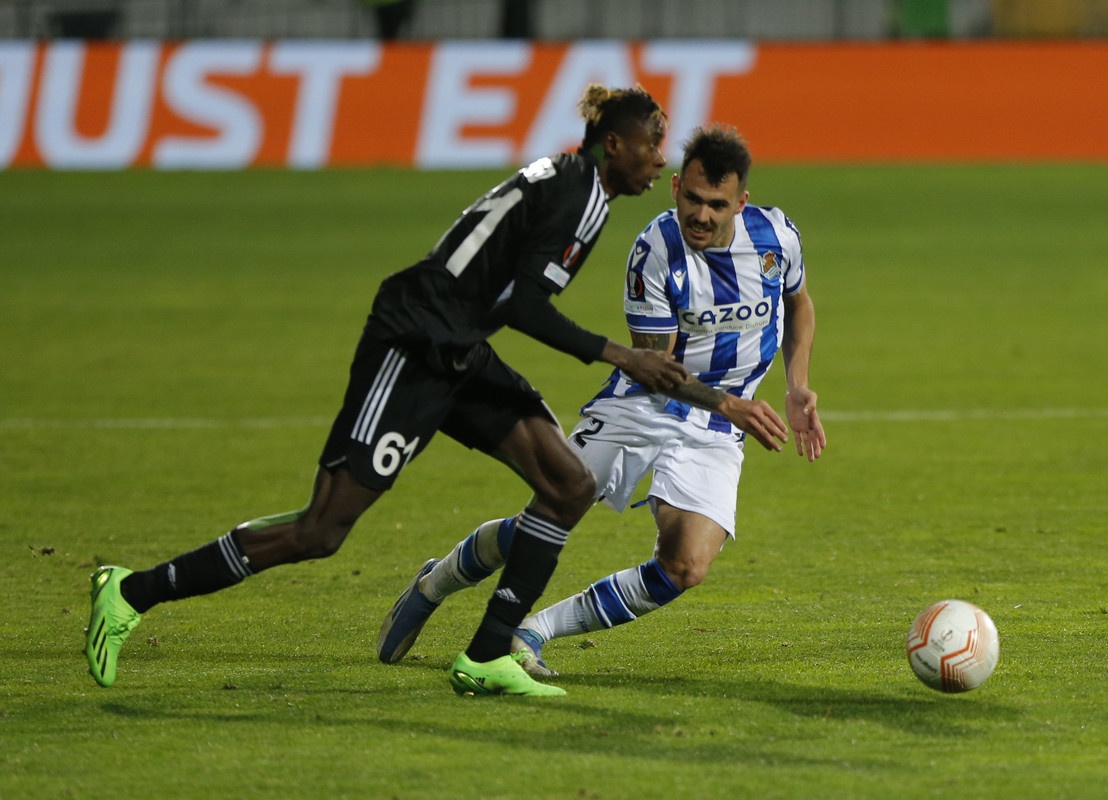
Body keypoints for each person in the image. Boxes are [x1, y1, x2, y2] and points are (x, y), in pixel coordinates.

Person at [84, 84, 691, 698]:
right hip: (414, 345)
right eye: (653, 144)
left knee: (568, 486)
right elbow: (523, 306)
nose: (660, 158)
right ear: (615, 143)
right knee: (321, 531)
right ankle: (132, 591)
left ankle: (485, 656)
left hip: (458, 347)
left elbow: (503, 292)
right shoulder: (579, 192)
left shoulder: (575, 183)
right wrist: (623, 356)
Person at [377, 124, 825, 677]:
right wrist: (730, 404)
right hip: (641, 406)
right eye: (692, 199)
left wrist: (795, 383)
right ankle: (434, 583)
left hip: (716, 428)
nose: (701, 216)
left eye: (717, 205)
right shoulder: (654, 251)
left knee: (686, 566)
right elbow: (658, 370)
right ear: (676, 186)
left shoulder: (777, 236)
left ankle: (533, 631)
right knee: (549, 516)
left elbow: (798, 302)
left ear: (742, 202)